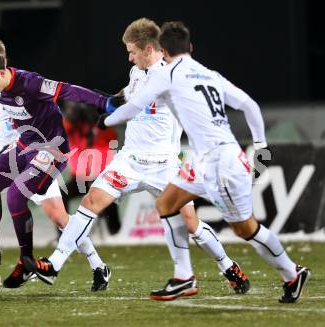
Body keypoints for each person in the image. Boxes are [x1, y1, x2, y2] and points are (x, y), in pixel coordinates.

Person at [26, 18, 250, 300]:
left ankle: (228, 266)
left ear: (148, 48)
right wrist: (110, 99)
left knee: (191, 224)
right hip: (130, 159)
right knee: (90, 201)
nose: (129, 57)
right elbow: (129, 93)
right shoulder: (137, 71)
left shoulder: (173, 75)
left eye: (132, 51)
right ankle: (55, 264)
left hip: (165, 164)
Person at [97, 21, 311, 303]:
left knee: (245, 228)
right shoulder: (210, 74)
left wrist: (106, 120)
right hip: (207, 159)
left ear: (163, 51)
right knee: (167, 203)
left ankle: (292, 273)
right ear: (190, 47)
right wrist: (261, 148)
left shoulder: (167, 74)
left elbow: (135, 106)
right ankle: (184, 276)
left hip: (220, 163)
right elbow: (249, 105)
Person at [0, 50, 122, 291]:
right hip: (24, 148)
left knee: (24, 201)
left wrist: (103, 102)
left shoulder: (31, 83)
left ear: (2, 72)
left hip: (51, 149)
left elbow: (67, 89)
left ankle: (31, 261)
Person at [62, 102, 121, 235]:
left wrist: (95, 122)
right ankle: (64, 231)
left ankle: (115, 232)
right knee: (61, 195)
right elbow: (64, 127)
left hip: (100, 178)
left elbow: (112, 136)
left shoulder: (100, 129)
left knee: (109, 198)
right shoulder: (72, 129)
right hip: (79, 179)